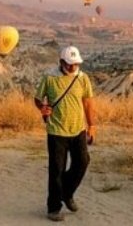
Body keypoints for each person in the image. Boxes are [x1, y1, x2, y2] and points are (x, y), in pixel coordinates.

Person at [34, 46, 96, 222]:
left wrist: (92, 125)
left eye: (75, 64)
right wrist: (42, 108)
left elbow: (88, 103)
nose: (73, 67)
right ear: (61, 62)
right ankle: (53, 208)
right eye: (69, 64)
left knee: (82, 162)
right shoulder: (50, 77)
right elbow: (38, 99)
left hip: (78, 129)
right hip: (56, 131)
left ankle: (66, 193)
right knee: (56, 170)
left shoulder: (83, 78)